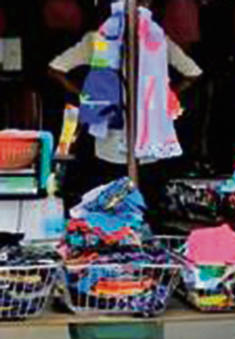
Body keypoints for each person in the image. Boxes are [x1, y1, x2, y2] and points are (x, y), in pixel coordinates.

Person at [48, 0, 202, 220]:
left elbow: (56, 69)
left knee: (108, 206)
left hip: (108, 139)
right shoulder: (158, 41)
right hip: (149, 141)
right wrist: (164, 95)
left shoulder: (97, 40)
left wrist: (84, 95)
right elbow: (193, 73)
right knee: (146, 204)